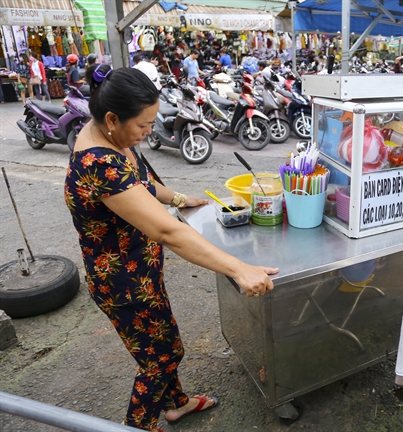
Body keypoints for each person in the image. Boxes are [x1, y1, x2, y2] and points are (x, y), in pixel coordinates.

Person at [64, 64, 278, 431]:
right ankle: (139, 424)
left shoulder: (112, 137)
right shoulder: (100, 164)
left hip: (140, 274)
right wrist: (237, 268)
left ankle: (176, 403)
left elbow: (144, 187)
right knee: (163, 355)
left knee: (156, 345)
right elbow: (167, 231)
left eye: (151, 123)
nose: (148, 133)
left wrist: (184, 198)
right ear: (113, 118)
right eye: (143, 126)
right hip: (122, 284)